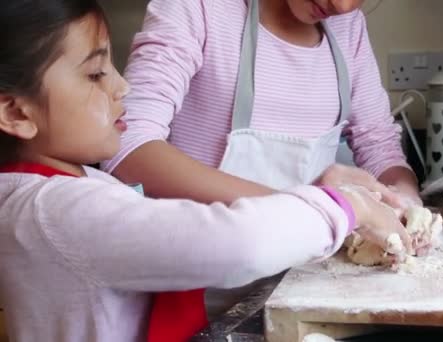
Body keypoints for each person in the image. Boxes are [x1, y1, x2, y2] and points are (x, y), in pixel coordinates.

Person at [0, 1, 412, 341]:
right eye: (95, 73)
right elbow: (237, 242)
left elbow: (378, 141)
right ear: (15, 111)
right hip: (221, 290)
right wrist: (338, 206)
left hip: (279, 279)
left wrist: (392, 198)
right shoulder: (54, 208)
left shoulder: (80, 187)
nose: (122, 87)